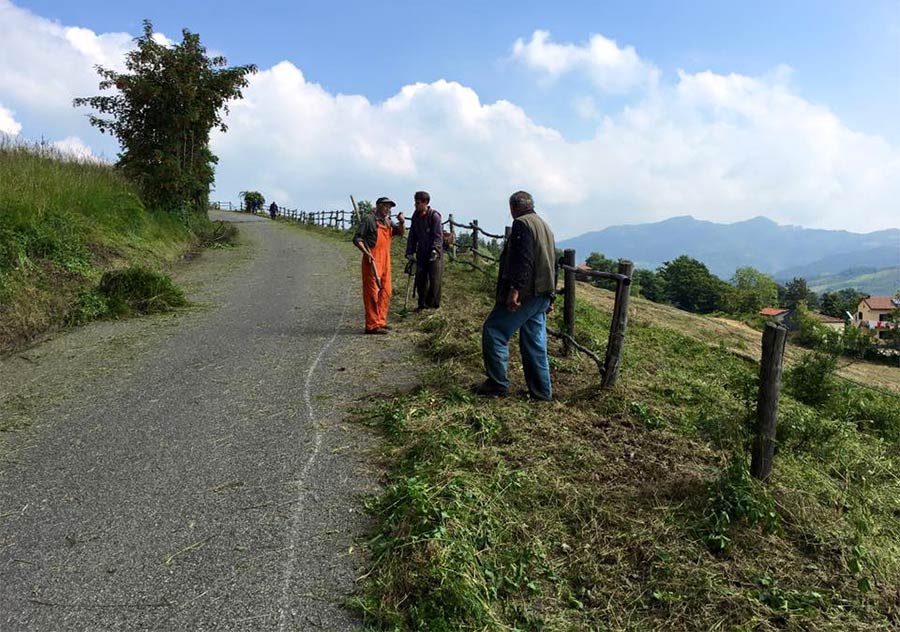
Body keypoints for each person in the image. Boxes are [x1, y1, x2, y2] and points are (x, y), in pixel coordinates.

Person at [476, 191, 556, 401]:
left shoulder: (522, 224)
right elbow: (552, 262)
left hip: (526, 294)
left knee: (494, 330)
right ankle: (541, 392)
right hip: (542, 294)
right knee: (534, 343)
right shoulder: (544, 225)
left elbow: (524, 260)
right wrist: (551, 296)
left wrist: (514, 291)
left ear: (513, 208)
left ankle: (497, 383)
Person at [352, 197, 405, 334]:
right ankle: (371, 325)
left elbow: (400, 232)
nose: (388, 209)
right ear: (379, 206)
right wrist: (366, 252)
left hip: (385, 259)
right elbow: (357, 239)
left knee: (386, 290)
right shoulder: (369, 220)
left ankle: (381, 321)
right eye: (386, 206)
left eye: (390, 207)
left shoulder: (388, 221)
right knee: (372, 293)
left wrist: (401, 222)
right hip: (372, 259)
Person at [405, 191, 443, 310]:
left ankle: (433, 305)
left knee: (434, 280)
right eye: (415, 202)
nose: (415, 205)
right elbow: (412, 235)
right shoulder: (416, 216)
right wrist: (410, 251)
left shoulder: (434, 216)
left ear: (425, 202)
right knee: (420, 279)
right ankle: (422, 304)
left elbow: (438, 236)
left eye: (418, 203)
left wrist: (435, 249)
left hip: (434, 253)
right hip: (421, 252)